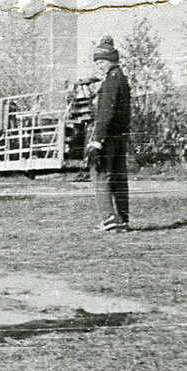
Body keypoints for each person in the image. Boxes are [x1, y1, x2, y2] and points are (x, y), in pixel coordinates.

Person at [86, 36, 132, 232]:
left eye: (102, 62)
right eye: (97, 62)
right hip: (120, 136)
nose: (100, 66)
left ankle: (108, 218)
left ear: (112, 60)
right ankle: (122, 218)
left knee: (101, 174)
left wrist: (97, 141)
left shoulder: (111, 83)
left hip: (108, 136)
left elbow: (106, 114)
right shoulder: (121, 79)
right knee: (119, 177)